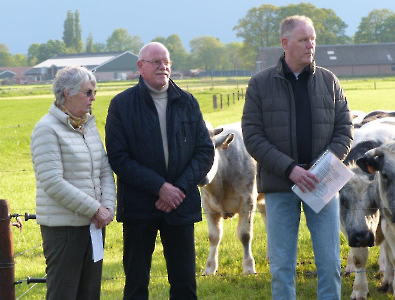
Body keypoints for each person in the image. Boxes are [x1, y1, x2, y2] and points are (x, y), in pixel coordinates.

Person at [241, 15, 353, 299]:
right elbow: (253, 136)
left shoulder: (330, 82)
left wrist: (320, 169)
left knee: (330, 264)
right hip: (280, 186)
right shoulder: (260, 84)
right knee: (281, 267)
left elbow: (345, 130)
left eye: (313, 39)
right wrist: (290, 169)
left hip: (323, 184)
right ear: (285, 43)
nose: (311, 45)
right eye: (304, 40)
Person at [105, 42, 214, 300]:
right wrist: (160, 188)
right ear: (140, 66)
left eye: (167, 62)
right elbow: (119, 158)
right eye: (156, 62)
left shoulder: (187, 102)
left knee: (185, 283)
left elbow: (204, 152)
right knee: (136, 283)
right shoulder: (121, 105)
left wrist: (177, 190)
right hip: (139, 207)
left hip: (181, 205)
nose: (163, 66)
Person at [30, 66, 116, 300]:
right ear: (67, 93)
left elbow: (105, 169)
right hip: (64, 231)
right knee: (64, 294)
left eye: (94, 92)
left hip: (94, 227)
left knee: (90, 294)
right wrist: (95, 209)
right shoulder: (46, 130)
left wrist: (108, 207)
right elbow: (52, 182)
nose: (93, 98)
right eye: (88, 92)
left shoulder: (88, 127)